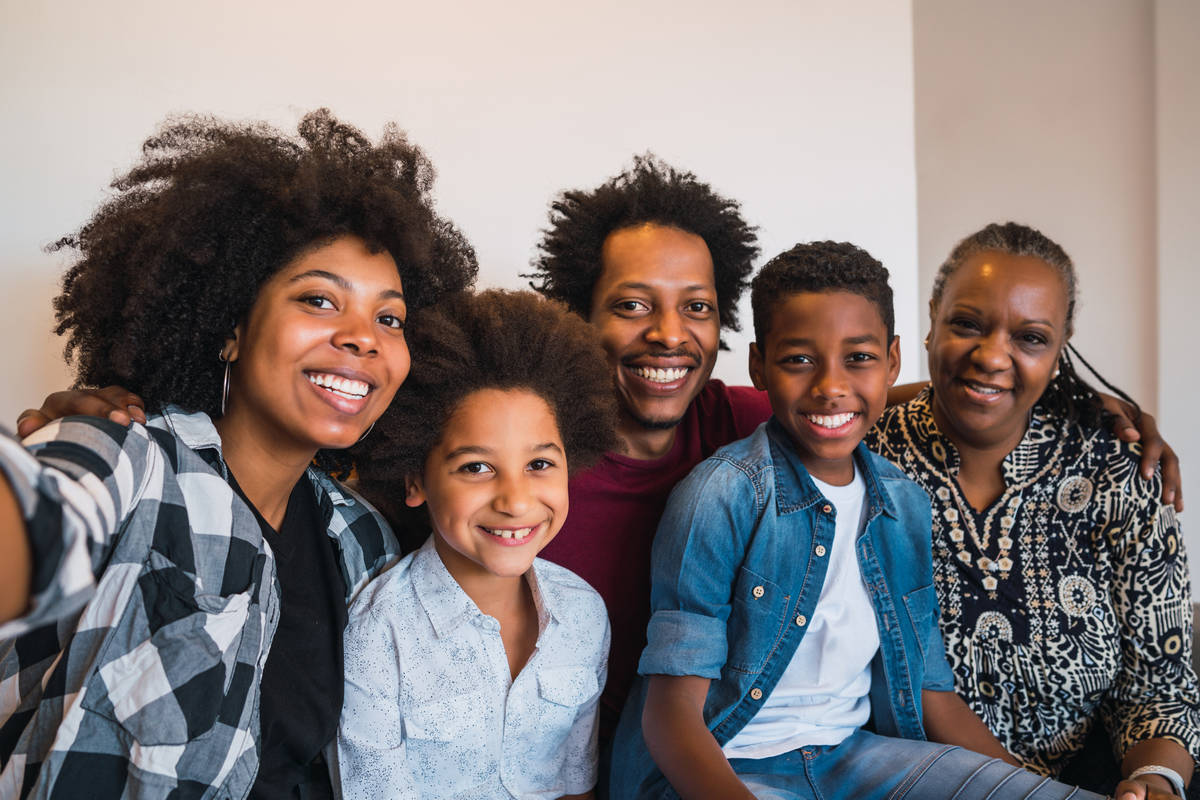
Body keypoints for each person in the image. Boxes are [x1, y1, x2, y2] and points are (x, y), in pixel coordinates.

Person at [0, 110, 477, 799]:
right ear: (231, 326)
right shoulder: (125, 459)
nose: (363, 338)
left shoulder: (362, 542)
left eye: (389, 317)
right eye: (319, 299)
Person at [610, 241, 1105, 800]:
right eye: (799, 359)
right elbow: (670, 718)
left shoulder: (903, 504)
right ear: (758, 365)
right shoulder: (722, 495)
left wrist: (1027, 786)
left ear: (893, 361)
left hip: (855, 759)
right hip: (729, 765)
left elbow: (931, 693)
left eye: (860, 358)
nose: (830, 386)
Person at [868, 222, 1198, 800]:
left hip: (1091, 779)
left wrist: (1154, 781)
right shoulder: (861, 460)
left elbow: (1159, 689)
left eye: (1031, 338)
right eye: (967, 325)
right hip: (908, 783)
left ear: (1061, 345)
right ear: (930, 320)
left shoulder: (1116, 469)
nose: (992, 356)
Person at [527, 155, 771, 737]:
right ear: (578, 315)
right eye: (633, 305)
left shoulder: (740, 423)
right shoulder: (527, 455)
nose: (668, 333)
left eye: (697, 307)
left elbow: (854, 400)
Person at [339, 290, 616, 799]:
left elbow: (576, 784)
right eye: (476, 467)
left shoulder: (584, 613)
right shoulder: (378, 633)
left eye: (539, 465)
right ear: (414, 481)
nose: (515, 501)